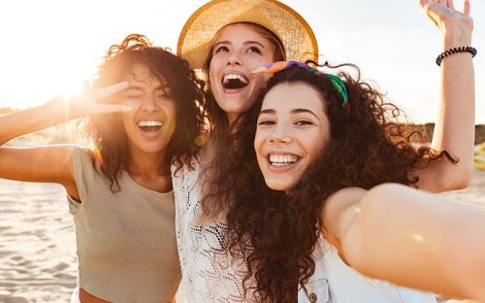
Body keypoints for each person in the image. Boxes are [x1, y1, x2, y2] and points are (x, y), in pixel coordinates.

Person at [173, 0, 475, 301]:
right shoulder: (186, 162)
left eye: (253, 49)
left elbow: (369, 214)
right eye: (222, 49)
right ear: (208, 70)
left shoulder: (319, 172)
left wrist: (455, 40)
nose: (234, 59)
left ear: (276, 70)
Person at [227, 58, 483, 302]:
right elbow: (450, 172)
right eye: (267, 121)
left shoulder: (336, 202)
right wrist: (455, 37)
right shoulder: (285, 215)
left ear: (336, 139)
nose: (277, 135)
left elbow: (363, 221)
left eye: (303, 121)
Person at [0, 34, 205, 303]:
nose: (150, 106)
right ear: (112, 107)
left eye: (164, 95)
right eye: (134, 94)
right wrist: (61, 109)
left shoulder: (196, 180)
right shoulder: (82, 168)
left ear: (181, 108)